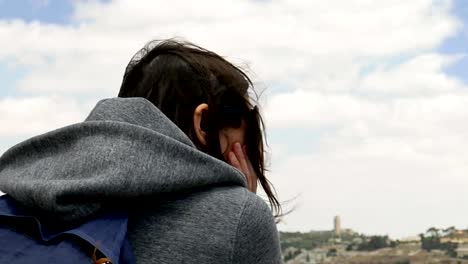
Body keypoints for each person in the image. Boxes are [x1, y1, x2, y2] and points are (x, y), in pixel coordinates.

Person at [0, 39, 282, 263]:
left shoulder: (21, 200)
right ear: (203, 123)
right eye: (248, 133)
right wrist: (240, 208)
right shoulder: (240, 217)